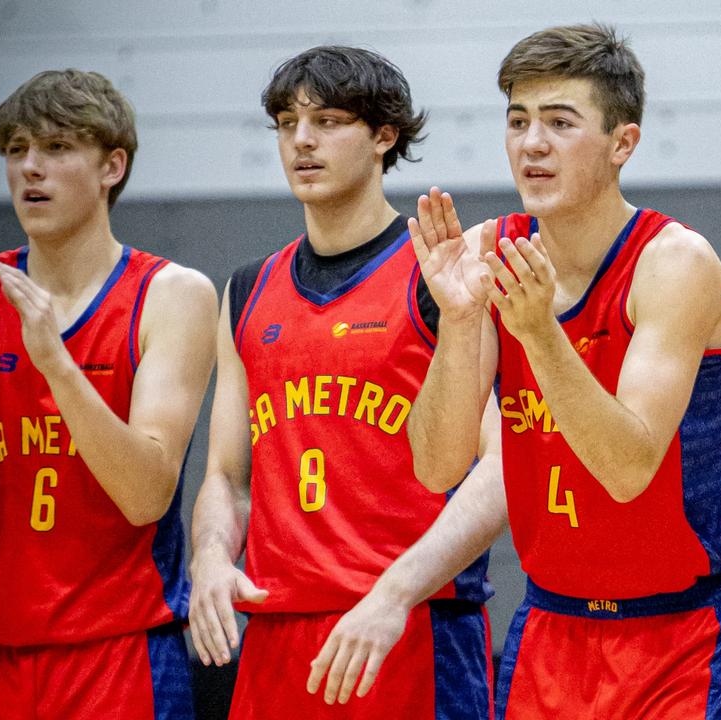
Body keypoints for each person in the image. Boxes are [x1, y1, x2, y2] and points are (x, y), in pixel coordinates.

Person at [408, 24, 721, 719]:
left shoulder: (674, 263)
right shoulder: (489, 251)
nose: (531, 144)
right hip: (551, 627)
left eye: (560, 123)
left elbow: (627, 468)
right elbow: (438, 467)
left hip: (677, 635)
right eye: (518, 121)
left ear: (622, 143)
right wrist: (458, 322)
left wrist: (538, 333)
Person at [187, 46, 499, 718]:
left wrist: (395, 593)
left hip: (408, 625)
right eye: (286, 122)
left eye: (327, 120)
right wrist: (210, 557)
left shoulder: (440, 276)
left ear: (385, 135)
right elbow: (225, 475)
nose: (301, 140)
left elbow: (497, 470)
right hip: (277, 635)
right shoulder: (247, 289)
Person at [0, 69, 215, 719]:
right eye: (16, 149)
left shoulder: (172, 294)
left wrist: (55, 363)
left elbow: (145, 494)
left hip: (118, 653)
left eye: (56, 147)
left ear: (111, 165)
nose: (30, 168)